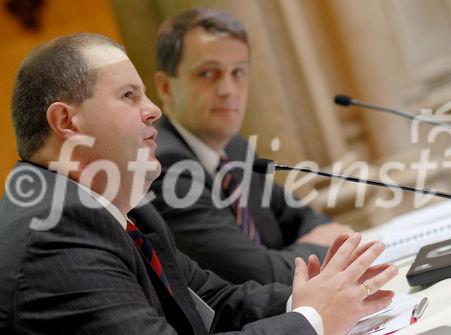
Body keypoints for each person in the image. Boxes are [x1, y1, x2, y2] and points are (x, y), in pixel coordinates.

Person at [0, 32, 398, 334]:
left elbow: (215, 302)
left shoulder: (123, 209)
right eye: (128, 96)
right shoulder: (53, 234)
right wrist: (311, 320)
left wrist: (322, 295)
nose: (153, 110)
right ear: (68, 123)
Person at [152, 8, 353, 285]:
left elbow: (304, 218)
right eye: (208, 73)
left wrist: (314, 242)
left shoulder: (236, 150)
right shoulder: (164, 166)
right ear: (165, 87)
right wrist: (323, 249)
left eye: (238, 72)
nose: (228, 89)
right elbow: (256, 275)